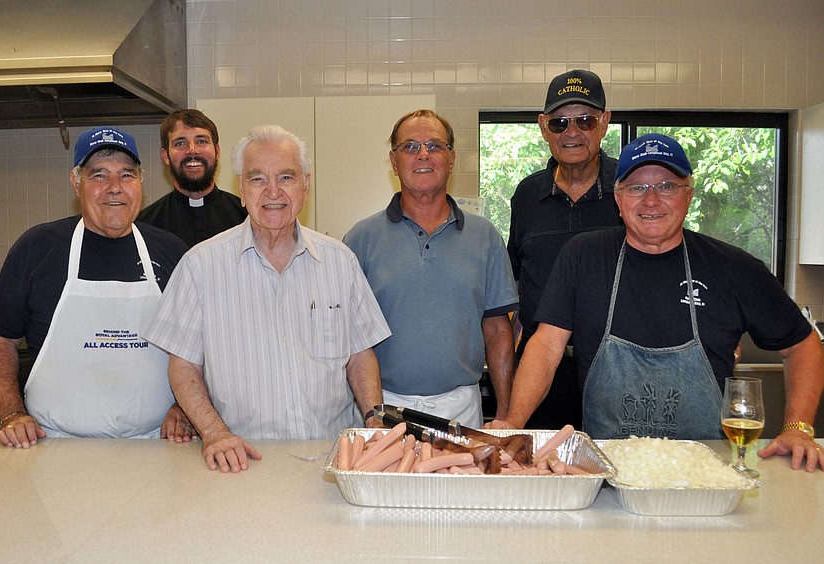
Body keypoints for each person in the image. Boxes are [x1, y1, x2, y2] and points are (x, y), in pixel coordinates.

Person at [491, 133, 824, 472]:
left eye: (666, 186)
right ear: (618, 200)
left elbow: (803, 345)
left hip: (708, 471)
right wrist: (514, 420)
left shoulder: (733, 268)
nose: (651, 200)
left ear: (689, 195)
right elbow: (546, 345)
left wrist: (798, 429)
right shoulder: (583, 256)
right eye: (636, 187)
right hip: (607, 470)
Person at [143, 125, 391, 472]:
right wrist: (214, 433)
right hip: (240, 458)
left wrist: (374, 420)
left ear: (305, 184)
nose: (273, 192)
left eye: (286, 177)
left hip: (332, 460)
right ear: (241, 190)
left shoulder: (340, 261)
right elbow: (183, 365)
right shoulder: (201, 265)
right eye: (258, 179)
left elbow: (360, 355)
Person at [0, 126, 190, 447]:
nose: (114, 188)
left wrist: (183, 408)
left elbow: (198, 346)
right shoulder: (38, 248)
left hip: (156, 445)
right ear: (76, 182)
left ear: (140, 183)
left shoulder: (170, 251)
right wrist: (11, 413)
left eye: (127, 175)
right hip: (54, 445)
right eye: (99, 175)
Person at [344, 109, 519, 429]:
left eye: (434, 145)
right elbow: (351, 338)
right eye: (410, 146)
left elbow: (497, 331)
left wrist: (507, 415)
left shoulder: (484, 237)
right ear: (394, 161)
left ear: (451, 159)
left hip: (462, 408)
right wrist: (371, 413)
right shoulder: (360, 240)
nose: (423, 154)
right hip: (383, 411)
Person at [508, 69, 622, 431]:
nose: (572, 132)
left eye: (585, 120)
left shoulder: (630, 191)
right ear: (544, 127)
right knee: (539, 476)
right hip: (541, 375)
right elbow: (515, 281)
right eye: (560, 123)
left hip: (615, 369)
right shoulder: (527, 196)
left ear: (605, 122)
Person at [137, 109, 248, 247]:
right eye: (180, 143)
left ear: (217, 151)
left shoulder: (246, 218)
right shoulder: (144, 225)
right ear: (166, 156)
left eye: (201, 141)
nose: (192, 150)